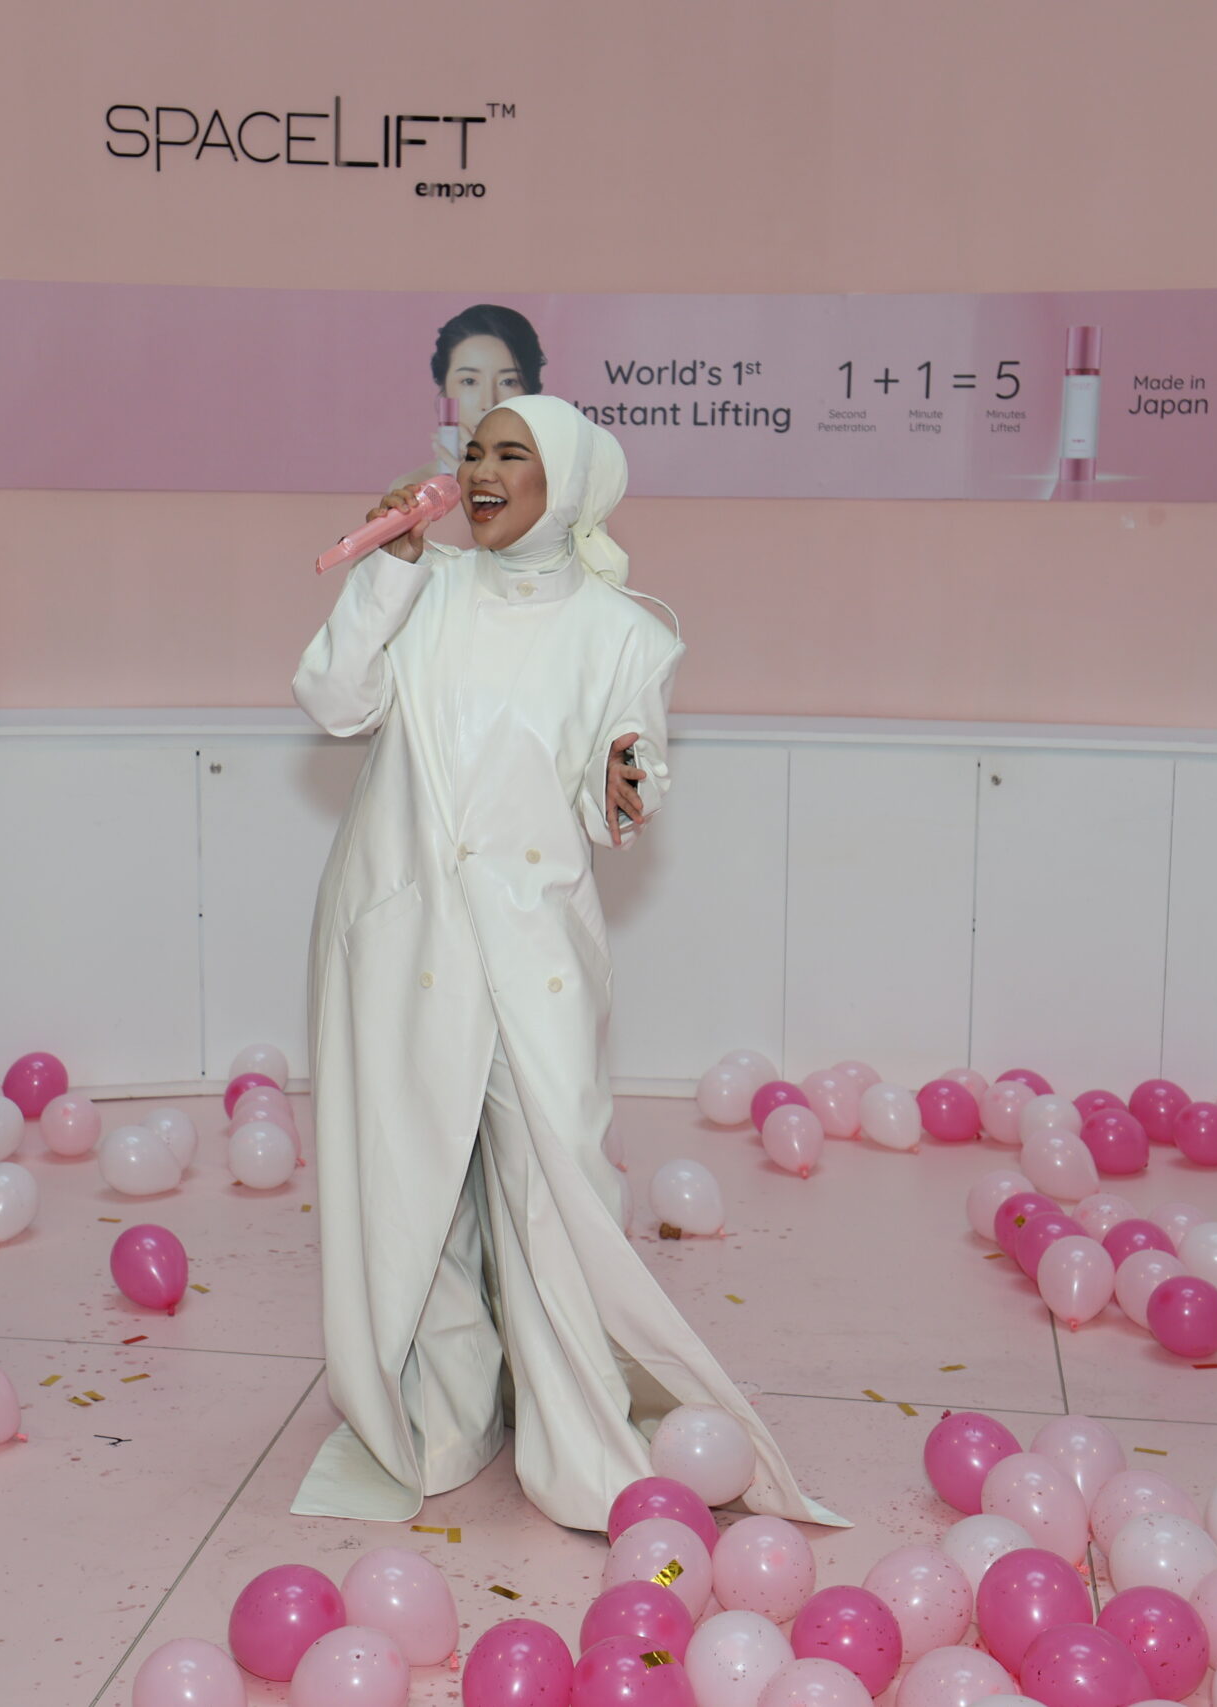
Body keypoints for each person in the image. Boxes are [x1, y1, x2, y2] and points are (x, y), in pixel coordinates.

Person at [289, 395, 844, 1534]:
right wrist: (389, 569)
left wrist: (627, 780)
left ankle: (576, 1439)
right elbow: (333, 702)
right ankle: (439, 1417)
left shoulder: (626, 631)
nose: (481, 472)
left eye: (514, 454)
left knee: (556, 1189)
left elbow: (618, 792)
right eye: (473, 452)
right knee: (410, 1188)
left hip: (533, 947)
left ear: (571, 486)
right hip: (400, 929)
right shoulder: (427, 586)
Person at [400, 304, 547, 492]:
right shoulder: (414, 489)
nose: (489, 403)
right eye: (469, 381)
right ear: (445, 391)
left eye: (508, 382)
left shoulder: (555, 484)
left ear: (531, 392)